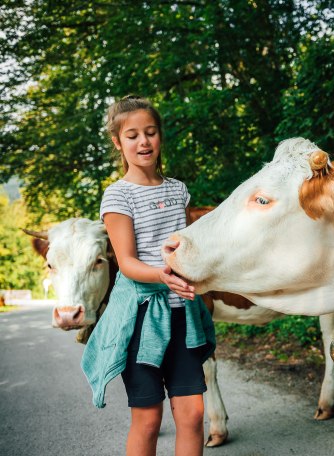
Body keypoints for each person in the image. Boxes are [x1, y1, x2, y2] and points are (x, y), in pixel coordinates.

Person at [81, 95, 215, 456]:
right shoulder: (117, 196)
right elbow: (126, 262)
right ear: (117, 142)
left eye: (151, 133)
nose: (143, 142)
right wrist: (163, 276)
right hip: (141, 320)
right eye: (133, 135)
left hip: (183, 316)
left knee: (192, 414)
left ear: (160, 137)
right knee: (148, 418)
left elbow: (187, 247)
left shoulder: (178, 190)